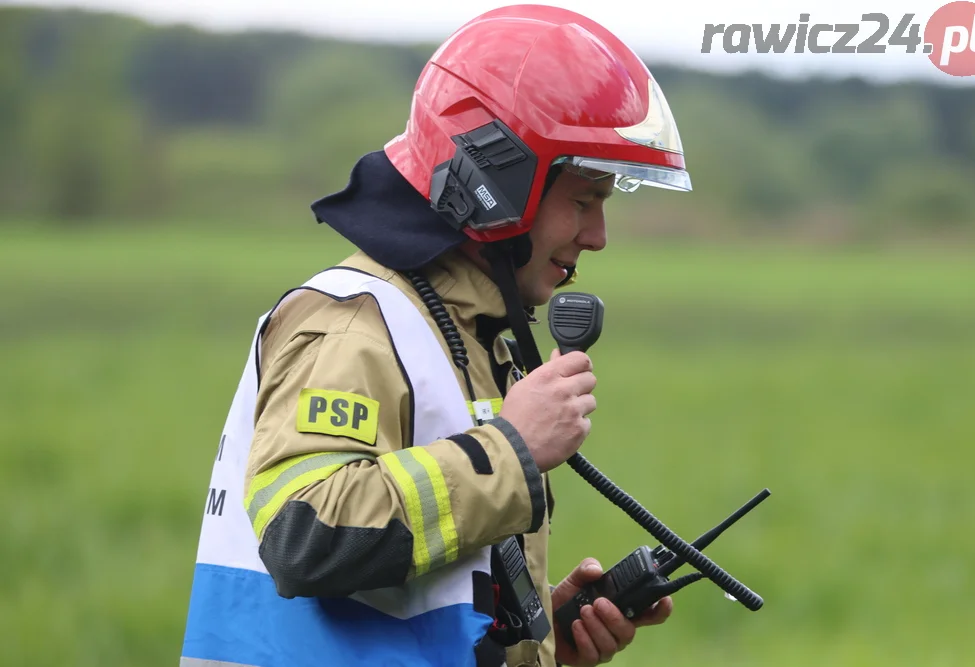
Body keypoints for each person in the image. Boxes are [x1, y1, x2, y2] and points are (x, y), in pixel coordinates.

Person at [179, 5, 693, 667]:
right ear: (496, 181)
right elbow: (302, 532)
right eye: (585, 200)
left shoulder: (463, 333)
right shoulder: (353, 320)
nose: (597, 236)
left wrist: (541, 643)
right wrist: (510, 450)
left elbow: (416, 592)